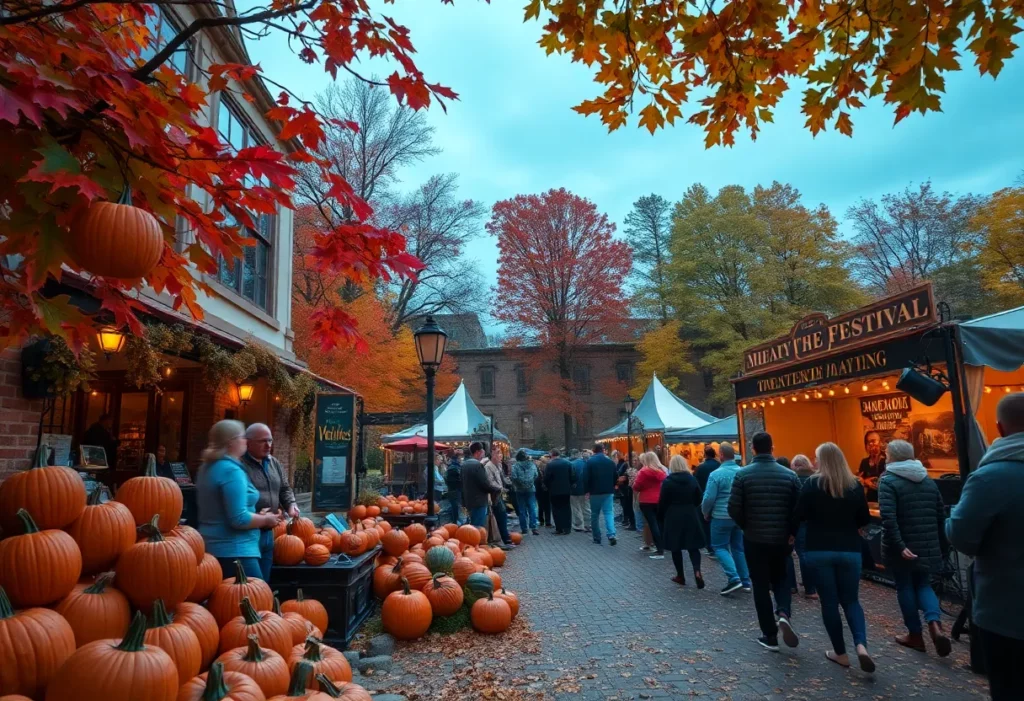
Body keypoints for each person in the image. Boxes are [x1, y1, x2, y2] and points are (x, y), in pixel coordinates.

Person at [946, 392, 1024, 700]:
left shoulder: (990, 478)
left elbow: (961, 536)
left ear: (1000, 429)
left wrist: (952, 515)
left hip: (1006, 610)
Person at [797, 443, 873, 671]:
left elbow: (799, 514)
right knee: (851, 600)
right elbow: (864, 519)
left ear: (823, 460)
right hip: (850, 548)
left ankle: (840, 652)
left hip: (819, 548)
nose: (814, 461)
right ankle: (861, 644)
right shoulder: (854, 486)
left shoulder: (812, 484)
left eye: (816, 457)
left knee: (829, 602)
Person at [728, 431, 802, 651]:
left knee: (760, 584)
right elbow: (798, 508)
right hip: (781, 538)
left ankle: (769, 635)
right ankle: (783, 612)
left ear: (753, 449)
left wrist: (745, 524)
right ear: (772, 448)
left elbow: (733, 507)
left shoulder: (743, 475)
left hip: (755, 538)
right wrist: (792, 531)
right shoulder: (789, 475)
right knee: (781, 578)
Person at [878, 439, 950, 656]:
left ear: (892, 456)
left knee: (905, 587)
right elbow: (940, 515)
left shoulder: (888, 481)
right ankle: (934, 624)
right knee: (924, 584)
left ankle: (915, 635)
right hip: (927, 544)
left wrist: (899, 545)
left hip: (903, 546)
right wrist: (942, 545)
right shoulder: (928, 480)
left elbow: (889, 518)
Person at [196, 420, 283, 579]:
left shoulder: (207, 467)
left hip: (210, 546)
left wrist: (258, 515)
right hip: (236, 551)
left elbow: (221, 509)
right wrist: (266, 520)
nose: (245, 440)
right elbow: (238, 519)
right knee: (257, 600)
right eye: (242, 437)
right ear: (231, 443)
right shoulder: (231, 471)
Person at [240, 423, 299, 581]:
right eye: (262, 441)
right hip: (249, 534)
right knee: (252, 585)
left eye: (270, 441)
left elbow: (284, 488)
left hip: (269, 533)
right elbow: (235, 500)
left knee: (264, 584)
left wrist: (291, 505)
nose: (268, 445)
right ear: (248, 442)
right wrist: (256, 515)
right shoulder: (240, 466)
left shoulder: (274, 463)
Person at [701, 443, 750, 595]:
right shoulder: (743, 472)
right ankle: (746, 581)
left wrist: (705, 512)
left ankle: (734, 578)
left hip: (721, 515)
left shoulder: (716, 475)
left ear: (721, 455)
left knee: (719, 547)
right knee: (738, 548)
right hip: (739, 516)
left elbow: (709, 497)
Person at [660, 455, 706, 587]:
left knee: (676, 546)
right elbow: (699, 496)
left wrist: (662, 515)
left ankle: (680, 575)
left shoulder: (668, 481)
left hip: (673, 515)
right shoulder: (692, 479)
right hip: (690, 513)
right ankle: (697, 570)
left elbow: (663, 501)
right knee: (693, 546)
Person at [788, 454, 817, 599]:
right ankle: (811, 585)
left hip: (797, 521)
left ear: (794, 466)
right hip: (814, 521)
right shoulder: (816, 479)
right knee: (808, 552)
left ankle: (796, 586)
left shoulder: (792, 479)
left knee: (798, 553)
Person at [633, 451, 669, 560]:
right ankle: (663, 545)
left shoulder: (643, 471)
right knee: (659, 523)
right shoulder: (661, 471)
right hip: (659, 499)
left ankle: (659, 549)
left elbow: (636, 486)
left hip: (646, 500)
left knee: (652, 524)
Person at [585, 443, 618, 546]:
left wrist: (587, 490)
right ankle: (611, 534)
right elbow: (615, 476)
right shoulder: (610, 462)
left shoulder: (590, 462)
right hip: (608, 491)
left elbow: (586, 477)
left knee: (595, 514)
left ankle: (597, 537)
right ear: (603, 450)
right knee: (608, 513)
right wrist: (612, 486)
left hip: (595, 492)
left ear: (594, 450)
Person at [461, 442, 498, 528]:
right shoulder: (477, 465)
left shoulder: (464, 464)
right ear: (478, 452)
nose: (483, 456)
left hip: (469, 501)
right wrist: (494, 489)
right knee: (478, 527)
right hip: (479, 501)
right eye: (483, 453)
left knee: (472, 526)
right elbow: (484, 484)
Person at [483, 445, 514, 548]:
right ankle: (504, 540)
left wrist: (508, 484)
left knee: (503, 516)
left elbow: (502, 479)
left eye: (500, 453)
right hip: (494, 496)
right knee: (501, 516)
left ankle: (505, 539)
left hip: (500, 494)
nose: (500, 455)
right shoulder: (488, 467)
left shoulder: (499, 465)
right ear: (492, 454)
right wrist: (501, 488)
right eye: (497, 453)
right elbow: (490, 482)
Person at [694, 446, 721, 557]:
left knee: (705, 524)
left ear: (705, 455)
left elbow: (696, 483)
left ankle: (710, 547)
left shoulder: (700, 468)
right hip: (718, 499)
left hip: (704, 498)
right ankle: (718, 546)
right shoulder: (719, 466)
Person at [544, 450, 574, 535]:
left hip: (554, 491)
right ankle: (567, 528)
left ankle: (559, 528)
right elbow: (573, 476)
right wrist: (570, 485)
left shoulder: (550, 465)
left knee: (556, 509)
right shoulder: (568, 463)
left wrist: (548, 486)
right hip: (566, 491)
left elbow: (546, 478)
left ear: (552, 455)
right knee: (567, 509)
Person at [511, 450, 540, 536]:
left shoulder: (515, 466)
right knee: (532, 508)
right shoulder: (532, 465)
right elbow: (536, 475)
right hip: (531, 489)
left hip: (519, 490)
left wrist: (517, 484)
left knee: (522, 510)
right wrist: (530, 482)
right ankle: (534, 527)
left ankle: (524, 529)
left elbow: (514, 477)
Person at [859, 431, 886, 502]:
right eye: (868, 443)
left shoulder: (888, 459)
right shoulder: (864, 462)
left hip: (886, 499)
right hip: (871, 500)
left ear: (880, 443)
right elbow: (860, 480)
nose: (871, 444)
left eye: (873, 441)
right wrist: (865, 481)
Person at [569, 449, 592, 532]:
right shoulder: (588, 464)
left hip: (574, 490)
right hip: (585, 489)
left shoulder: (572, 464)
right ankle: (588, 525)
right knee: (586, 507)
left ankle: (578, 525)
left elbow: (570, 477)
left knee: (576, 507)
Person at [614, 451, 636, 530]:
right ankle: (629, 521)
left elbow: (621, 474)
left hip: (628, 489)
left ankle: (631, 522)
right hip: (626, 488)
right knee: (627, 505)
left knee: (628, 506)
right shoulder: (627, 465)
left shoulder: (628, 466)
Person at [445, 450, 464, 525]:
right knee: (455, 507)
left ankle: (455, 521)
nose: (461, 460)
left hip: (453, 489)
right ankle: (455, 522)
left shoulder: (453, 467)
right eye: (460, 458)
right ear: (458, 458)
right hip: (455, 490)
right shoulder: (454, 468)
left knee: (455, 506)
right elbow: (456, 480)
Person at [535, 457, 552, 528]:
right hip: (547, 490)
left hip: (538, 490)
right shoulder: (548, 468)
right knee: (548, 506)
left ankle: (541, 521)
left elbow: (535, 480)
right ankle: (548, 522)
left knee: (540, 506)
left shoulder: (536, 469)